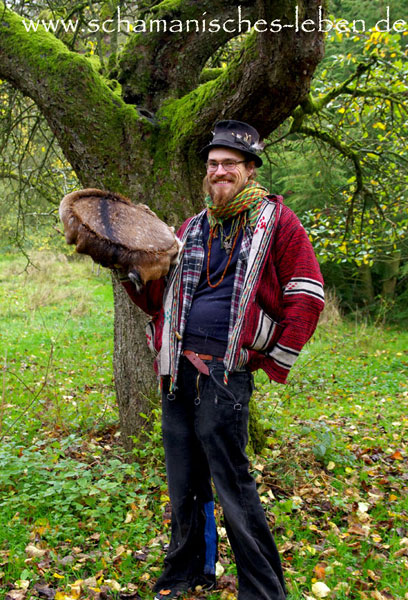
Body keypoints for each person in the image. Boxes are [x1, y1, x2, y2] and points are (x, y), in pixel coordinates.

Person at [120, 120, 325, 600]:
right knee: (184, 480)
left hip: (226, 371)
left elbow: (308, 293)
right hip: (177, 370)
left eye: (230, 163)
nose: (219, 172)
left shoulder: (278, 222)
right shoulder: (191, 228)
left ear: (250, 169)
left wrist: (269, 357)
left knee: (233, 485)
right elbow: (158, 299)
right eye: (213, 164)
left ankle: (263, 590)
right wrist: (130, 271)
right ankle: (188, 572)